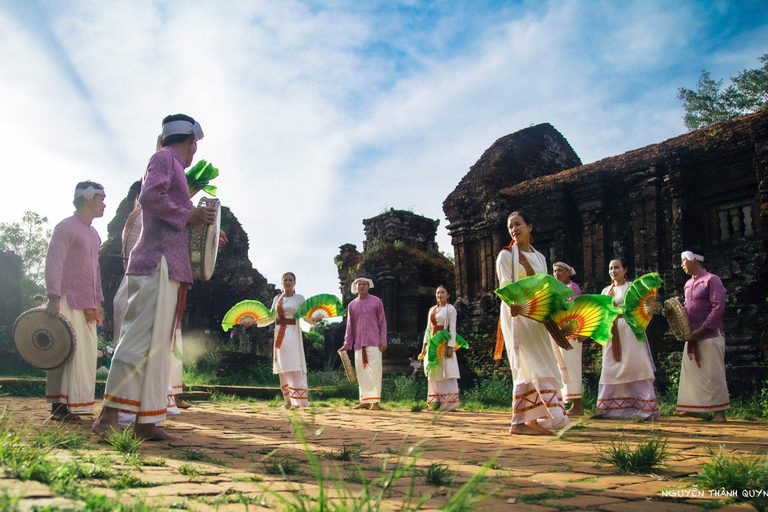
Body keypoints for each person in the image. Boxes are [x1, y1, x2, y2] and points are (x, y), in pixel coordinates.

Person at [93, 114, 215, 441]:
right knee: (137, 340)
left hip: (168, 266)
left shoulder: (175, 165)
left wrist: (197, 220)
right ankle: (107, 417)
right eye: (195, 145)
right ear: (190, 141)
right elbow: (149, 198)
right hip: (155, 263)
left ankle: (145, 422)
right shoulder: (163, 158)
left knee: (157, 346)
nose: (194, 152)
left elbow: (165, 207)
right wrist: (188, 213)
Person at [497, 211, 569, 435]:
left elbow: (546, 289)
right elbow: (505, 287)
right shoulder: (506, 255)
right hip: (516, 313)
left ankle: (526, 420)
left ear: (530, 227)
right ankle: (544, 415)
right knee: (528, 362)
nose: (514, 229)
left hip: (538, 315)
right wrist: (516, 305)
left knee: (543, 357)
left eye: (518, 224)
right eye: (510, 226)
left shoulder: (540, 257)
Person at [44, 181, 106, 421]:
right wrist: (53, 297)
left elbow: (96, 270)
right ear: (88, 200)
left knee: (85, 354)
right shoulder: (66, 227)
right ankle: (59, 407)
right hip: (67, 298)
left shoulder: (93, 234)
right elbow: (54, 262)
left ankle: (75, 405)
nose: (104, 205)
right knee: (65, 352)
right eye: (101, 199)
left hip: (88, 303)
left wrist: (98, 300)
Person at [666, 249, 730, 422]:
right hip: (692, 334)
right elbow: (686, 309)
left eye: (683, 261)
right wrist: (673, 313)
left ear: (692, 259)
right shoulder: (688, 284)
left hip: (709, 334)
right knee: (692, 373)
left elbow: (718, 308)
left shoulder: (712, 280)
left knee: (714, 373)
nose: (681, 265)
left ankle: (720, 412)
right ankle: (694, 408)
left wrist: (702, 329)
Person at [596, 258, 660, 419]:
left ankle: (643, 408)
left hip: (630, 330)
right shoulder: (605, 291)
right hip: (612, 332)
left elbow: (644, 309)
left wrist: (651, 309)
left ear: (625, 269)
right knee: (611, 367)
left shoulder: (632, 288)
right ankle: (611, 409)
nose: (613, 271)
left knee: (636, 364)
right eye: (611, 268)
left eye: (617, 267)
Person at [342, 277, 387, 410]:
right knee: (362, 373)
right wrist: (347, 344)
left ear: (369, 286)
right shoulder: (352, 305)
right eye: (359, 284)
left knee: (375, 372)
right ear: (355, 287)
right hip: (359, 344)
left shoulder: (377, 302)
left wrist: (383, 339)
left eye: (364, 284)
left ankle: (375, 402)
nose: (361, 286)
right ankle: (365, 400)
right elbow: (350, 327)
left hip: (374, 343)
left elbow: (382, 322)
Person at [268, 272, 310, 409]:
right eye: (285, 280)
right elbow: (270, 316)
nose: (287, 282)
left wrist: (315, 319)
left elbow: (306, 314)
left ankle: (298, 402)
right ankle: (288, 401)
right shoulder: (277, 299)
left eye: (290, 280)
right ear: (282, 282)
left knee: (294, 365)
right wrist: (253, 321)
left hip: (292, 333)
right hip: (280, 334)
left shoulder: (299, 298)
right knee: (283, 366)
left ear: (294, 282)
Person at [420, 285, 461, 410]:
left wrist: (450, 347)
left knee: (446, 370)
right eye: (438, 293)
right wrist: (424, 347)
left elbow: (452, 329)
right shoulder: (432, 309)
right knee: (433, 371)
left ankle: (449, 403)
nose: (439, 295)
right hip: (433, 343)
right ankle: (434, 402)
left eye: (442, 292)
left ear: (448, 295)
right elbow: (428, 329)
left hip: (444, 341)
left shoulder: (451, 309)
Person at [553, 262, 584, 416]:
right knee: (560, 366)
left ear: (568, 273)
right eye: (554, 271)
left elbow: (574, 310)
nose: (556, 274)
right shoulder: (554, 289)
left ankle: (578, 405)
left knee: (571, 366)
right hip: (557, 331)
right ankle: (566, 402)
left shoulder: (572, 288)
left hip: (570, 331)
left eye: (560, 271)